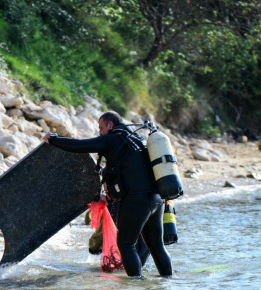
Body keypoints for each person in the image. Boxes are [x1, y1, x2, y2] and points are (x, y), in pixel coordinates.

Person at [43, 111, 172, 277]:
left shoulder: (112, 139)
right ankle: (168, 281)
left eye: (101, 128)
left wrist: (54, 139)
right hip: (156, 200)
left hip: (136, 202)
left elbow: (81, 146)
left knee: (126, 244)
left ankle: (135, 288)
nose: (100, 133)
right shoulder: (137, 141)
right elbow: (129, 175)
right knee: (157, 246)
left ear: (110, 125)